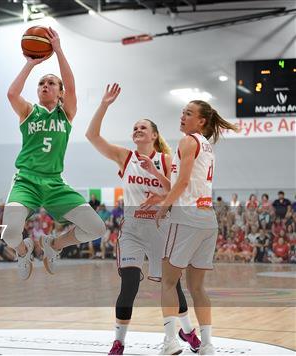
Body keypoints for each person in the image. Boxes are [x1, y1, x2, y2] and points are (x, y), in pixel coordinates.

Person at [86, 84, 198, 355]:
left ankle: (187, 331)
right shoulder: (125, 157)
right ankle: (119, 341)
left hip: (161, 229)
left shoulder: (167, 159)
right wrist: (104, 104)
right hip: (134, 230)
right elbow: (92, 135)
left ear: (154, 135)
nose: (137, 131)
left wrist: (160, 196)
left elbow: (180, 191)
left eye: (142, 128)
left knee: (172, 287)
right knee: (129, 285)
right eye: (134, 128)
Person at [2, 27, 106, 279]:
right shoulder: (28, 112)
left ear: (60, 93)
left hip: (54, 182)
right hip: (26, 181)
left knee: (96, 228)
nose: (45, 85)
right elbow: (11, 93)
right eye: (41, 83)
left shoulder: (66, 113)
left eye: (51, 83)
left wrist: (58, 50)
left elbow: (71, 85)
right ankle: (23, 249)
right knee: (9, 234)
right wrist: (30, 64)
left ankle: (54, 244)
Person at [152, 100, 238, 354]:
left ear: (201, 121)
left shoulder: (188, 141)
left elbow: (183, 182)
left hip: (185, 217)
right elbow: (184, 181)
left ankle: (170, 342)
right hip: (206, 219)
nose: (182, 117)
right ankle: (208, 345)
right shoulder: (208, 146)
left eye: (188, 113)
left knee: (168, 282)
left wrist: (165, 205)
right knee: (197, 287)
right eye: (182, 112)